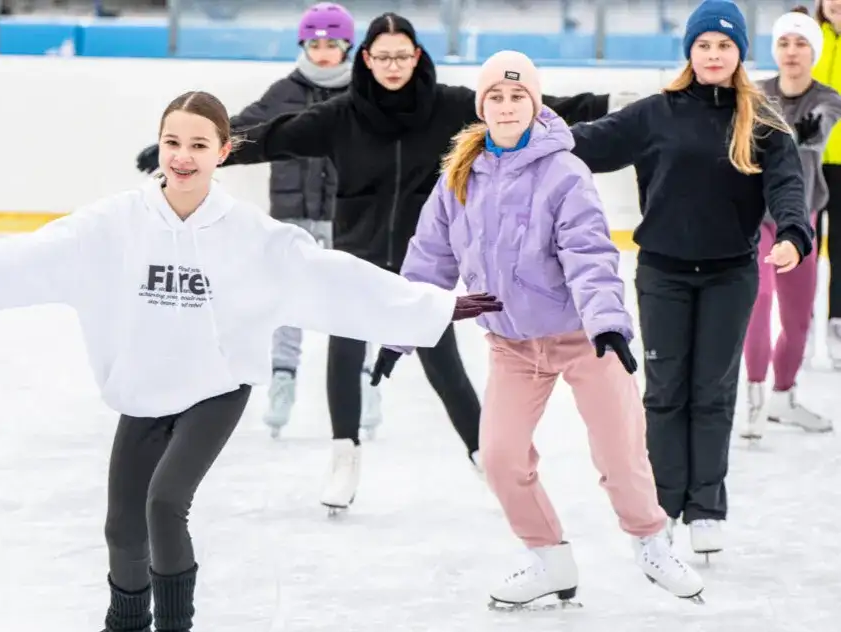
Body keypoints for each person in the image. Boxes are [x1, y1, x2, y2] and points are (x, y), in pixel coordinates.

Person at [0, 91, 501, 632]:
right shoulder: (114, 225)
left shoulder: (250, 236)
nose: (181, 155)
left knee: (164, 503)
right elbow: (24, 259)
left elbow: (331, 279)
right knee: (120, 524)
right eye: (170, 142)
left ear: (223, 151)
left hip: (216, 387)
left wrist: (432, 306)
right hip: (145, 386)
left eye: (197, 144)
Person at [221, 11, 617, 512]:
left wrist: (618, 106)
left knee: (441, 358)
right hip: (358, 259)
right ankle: (345, 455)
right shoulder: (341, 116)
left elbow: (545, 108)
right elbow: (277, 136)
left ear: (417, 57)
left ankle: (482, 456)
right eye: (383, 56)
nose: (392, 65)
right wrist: (210, 151)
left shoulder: (449, 107)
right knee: (345, 349)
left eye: (402, 55)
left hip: (422, 262)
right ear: (366, 58)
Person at [373, 50, 704, 607]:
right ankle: (549, 557)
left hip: (584, 339)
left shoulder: (564, 171)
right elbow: (428, 260)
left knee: (620, 454)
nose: (506, 106)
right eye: (495, 98)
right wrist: (398, 332)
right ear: (482, 107)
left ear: (535, 102)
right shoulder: (459, 174)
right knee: (500, 458)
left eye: (517, 96)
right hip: (511, 345)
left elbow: (588, 251)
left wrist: (607, 324)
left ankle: (650, 542)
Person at [569, 0, 814, 560]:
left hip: (730, 275)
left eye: (724, 46)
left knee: (712, 393)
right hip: (663, 273)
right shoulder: (656, 113)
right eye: (704, 45)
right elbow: (589, 143)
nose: (713, 54)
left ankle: (706, 507)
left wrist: (793, 236)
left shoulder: (764, 122)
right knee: (664, 393)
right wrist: (528, 127)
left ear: (738, 55)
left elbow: (787, 188)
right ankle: (662, 507)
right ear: (690, 51)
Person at [135, 3, 385, 440]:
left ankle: (363, 381)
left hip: (348, 215)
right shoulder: (284, 92)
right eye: (315, 44)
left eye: (333, 44)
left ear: (349, 46)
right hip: (291, 214)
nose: (324, 52)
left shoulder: (365, 96)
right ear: (303, 45)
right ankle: (284, 378)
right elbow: (235, 132)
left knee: (351, 297)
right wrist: (179, 153)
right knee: (286, 300)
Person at [742, 6, 841, 438]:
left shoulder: (828, 99)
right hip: (757, 219)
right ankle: (755, 398)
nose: (792, 51)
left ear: (815, 50)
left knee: (798, 320)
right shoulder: (752, 94)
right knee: (759, 301)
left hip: (801, 222)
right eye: (784, 42)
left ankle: (784, 395)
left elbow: (814, 133)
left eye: (801, 42)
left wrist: (777, 131)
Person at [812, 0, 841, 366]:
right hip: (809, 161)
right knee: (803, 245)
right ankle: (799, 324)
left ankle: (837, 322)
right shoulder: (806, 39)